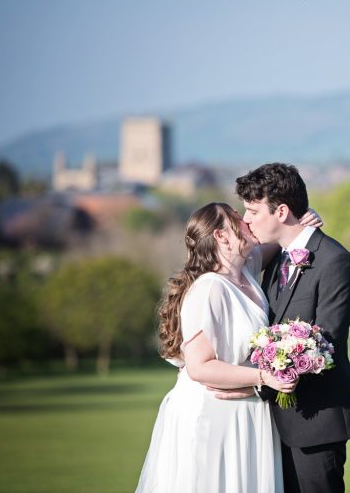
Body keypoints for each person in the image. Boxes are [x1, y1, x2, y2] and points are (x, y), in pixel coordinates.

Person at [135, 201, 321, 493]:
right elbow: (199, 367)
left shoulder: (246, 269)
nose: (247, 221)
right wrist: (263, 377)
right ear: (222, 236)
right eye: (238, 217)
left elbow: (282, 237)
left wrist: (304, 224)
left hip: (246, 413)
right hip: (213, 413)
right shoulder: (209, 288)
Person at [227, 162, 350, 493]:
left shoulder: (335, 261)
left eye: (253, 211)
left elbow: (325, 343)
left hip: (316, 422)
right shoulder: (274, 261)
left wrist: (256, 383)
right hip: (271, 426)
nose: (246, 219)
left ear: (282, 211)